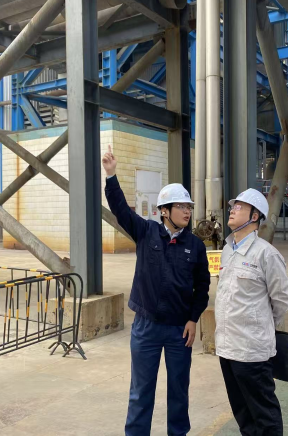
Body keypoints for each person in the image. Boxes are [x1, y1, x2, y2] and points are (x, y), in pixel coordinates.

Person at [102, 145, 210, 436]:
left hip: (179, 330)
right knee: (141, 392)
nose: (187, 211)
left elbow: (202, 286)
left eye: (189, 207)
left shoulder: (195, 246)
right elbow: (120, 210)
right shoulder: (146, 232)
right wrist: (111, 175)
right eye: (181, 206)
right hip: (146, 326)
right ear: (164, 211)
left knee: (179, 391)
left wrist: (193, 318)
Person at [214, 188, 288, 436]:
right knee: (243, 413)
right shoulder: (228, 249)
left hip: (252, 351)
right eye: (233, 206)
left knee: (264, 414)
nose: (232, 210)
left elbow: (281, 300)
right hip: (227, 348)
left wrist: (262, 327)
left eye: (239, 207)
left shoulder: (266, 254)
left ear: (255, 216)